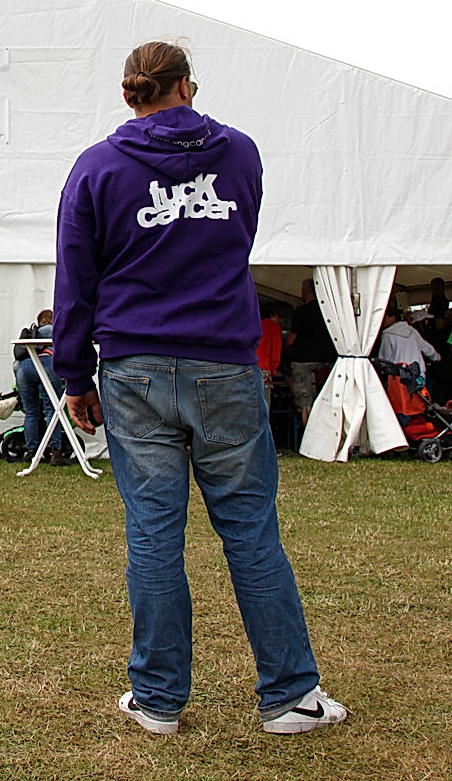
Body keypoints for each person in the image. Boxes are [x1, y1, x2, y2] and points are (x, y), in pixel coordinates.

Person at [52, 41, 346, 736]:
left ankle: (156, 701)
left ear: (129, 94)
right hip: (222, 361)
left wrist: (73, 373)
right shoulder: (239, 154)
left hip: (136, 365)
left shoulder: (97, 167)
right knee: (250, 531)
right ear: (186, 85)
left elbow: (76, 277)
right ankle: (289, 698)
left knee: (154, 533)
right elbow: (235, 239)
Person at [13, 309, 66, 464]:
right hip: (47, 364)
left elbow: (16, 364)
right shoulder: (54, 330)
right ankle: (56, 452)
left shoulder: (32, 334)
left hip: (24, 368)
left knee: (31, 412)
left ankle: (32, 451)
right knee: (52, 409)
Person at [283, 278, 336, 425]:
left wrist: (285, 348)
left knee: (304, 398)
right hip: (327, 358)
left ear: (304, 292)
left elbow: (291, 340)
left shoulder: (302, 312)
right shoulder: (329, 311)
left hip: (303, 359)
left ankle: (307, 427)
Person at [378, 303, 440, 377]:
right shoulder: (411, 330)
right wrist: (437, 357)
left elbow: (384, 360)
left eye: (385, 317)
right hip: (418, 375)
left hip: (399, 377)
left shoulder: (387, 335)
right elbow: (425, 347)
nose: (382, 320)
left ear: (393, 317)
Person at [257, 301, 283, 407]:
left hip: (247, 367)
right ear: (272, 315)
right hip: (264, 368)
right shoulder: (274, 327)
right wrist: (273, 370)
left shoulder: (253, 325)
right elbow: (276, 351)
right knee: (264, 402)